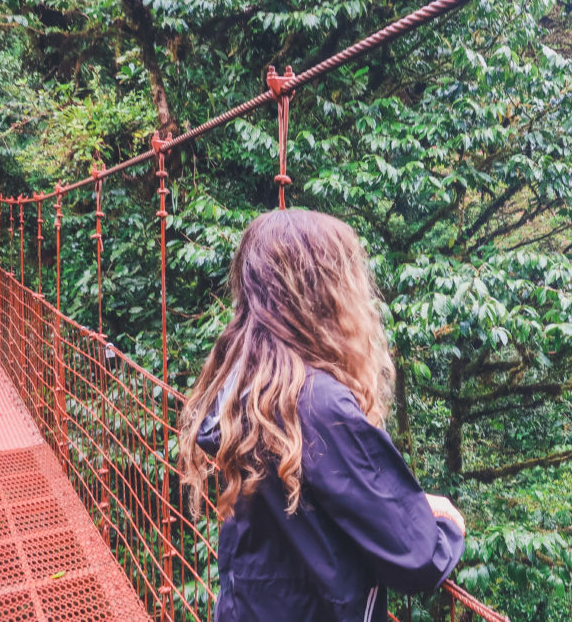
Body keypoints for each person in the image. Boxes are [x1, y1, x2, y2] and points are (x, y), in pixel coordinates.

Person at [180, 209, 465, 622]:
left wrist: (410, 505)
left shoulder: (243, 390)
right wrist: (447, 527)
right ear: (325, 293)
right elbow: (417, 558)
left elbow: (320, 510)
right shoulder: (318, 406)